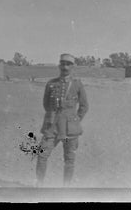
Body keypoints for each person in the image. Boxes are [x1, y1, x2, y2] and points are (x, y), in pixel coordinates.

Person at [35, 53, 89, 187]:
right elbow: (46, 104)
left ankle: (66, 188)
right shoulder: (51, 84)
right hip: (52, 126)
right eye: (63, 64)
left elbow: (84, 106)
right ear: (59, 66)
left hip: (70, 128)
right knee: (42, 155)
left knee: (69, 159)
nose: (65, 67)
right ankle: (39, 185)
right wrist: (53, 116)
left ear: (72, 67)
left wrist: (76, 119)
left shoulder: (77, 84)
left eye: (68, 64)